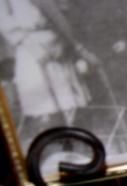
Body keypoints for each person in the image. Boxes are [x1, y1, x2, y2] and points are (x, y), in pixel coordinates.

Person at [0, 0, 92, 131]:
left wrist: (64, 41)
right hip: (30, 47)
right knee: (46, 108)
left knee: (72, 105)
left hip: (59, 43)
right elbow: (4, 21)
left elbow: (61, 11)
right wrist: (31, 46)